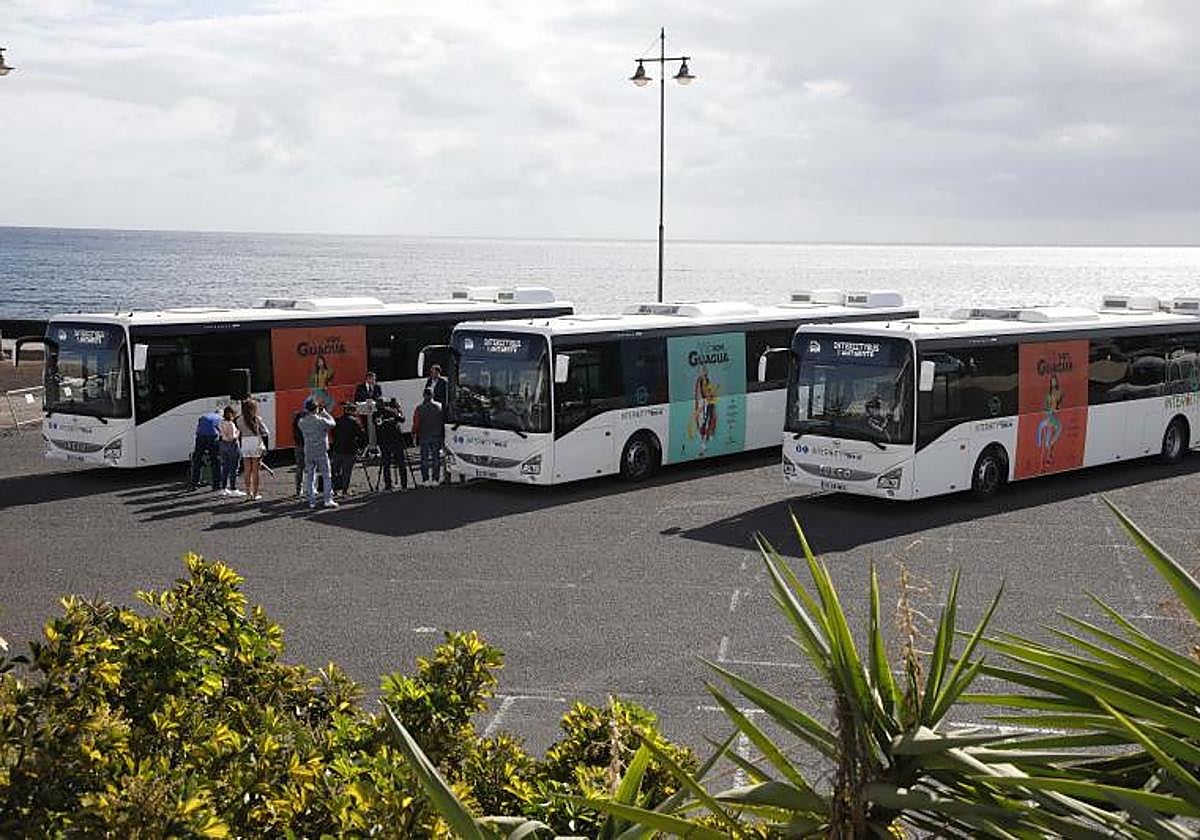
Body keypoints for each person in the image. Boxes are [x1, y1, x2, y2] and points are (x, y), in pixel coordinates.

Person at [296, 397, 337, 509]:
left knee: (310, 476)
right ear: (316, 409)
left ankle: (311, 501)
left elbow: (302, 418)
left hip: (308, 451)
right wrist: (324, 413)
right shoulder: (321, 421)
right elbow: (333, 423)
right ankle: (327, 499)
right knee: (326, 475)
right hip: (321, 451)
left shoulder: (301, 422)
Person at [236, 397, 270, 501]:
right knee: (256, 471)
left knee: (247, 471)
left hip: (245, 443)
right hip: (255, 443)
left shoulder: (239, 419)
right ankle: (255, 495)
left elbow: (239, 432)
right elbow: (266, 432)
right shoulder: (257, 419)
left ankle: (248, 493)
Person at [412, 387, 444, 485]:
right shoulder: (439, 406)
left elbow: (416, 424)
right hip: (436, 435)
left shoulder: (419, 408)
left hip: (424, 435)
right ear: (432, 395)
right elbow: (442, 421)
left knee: (424, 458)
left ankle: (425, 480)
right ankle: (435, 479)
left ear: (423, 395)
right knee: (436, 458)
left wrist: (414, 433)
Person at [331, 401, 364, 496]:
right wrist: (360, 447)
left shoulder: (338, 420)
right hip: (350, 449)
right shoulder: (355, 421)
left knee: (335, 471)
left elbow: (333, 434)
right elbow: (361, 435)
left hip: (337, 449)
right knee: (346, 472)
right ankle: (345, 491)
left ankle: (335, 489)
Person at [375, 398, 407, 491]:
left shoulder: (376, 415)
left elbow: (377, 424)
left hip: (384, 442)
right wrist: (399, 410)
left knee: (386, 464)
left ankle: (388, 485)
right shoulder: (393, 411)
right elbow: (402, 419)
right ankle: (404, 484)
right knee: (401, 463)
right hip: (396, 440)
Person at [190, 408, 222, 491]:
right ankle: (216, 485)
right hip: (212, 437)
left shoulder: (204, 416)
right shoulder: (219, 418)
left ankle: (194, 483)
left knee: (197, 460)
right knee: (215, 461)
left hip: (200, 437)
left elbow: (197, 430)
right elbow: (221, 431)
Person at [217, 405, 244, 497]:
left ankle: (223, 488)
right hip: (232, 446)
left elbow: (222, 435)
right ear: (232, 414)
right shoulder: (231, 424)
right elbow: (232, 437)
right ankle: (233, 488)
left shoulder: (221, 422)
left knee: (225, 467)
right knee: (234, 468)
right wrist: (238, 432)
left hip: (223, 445)